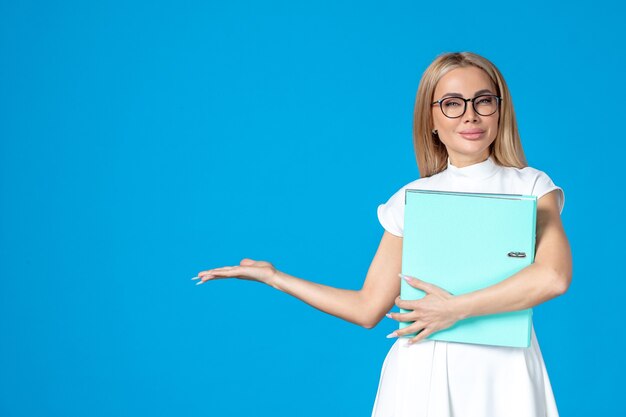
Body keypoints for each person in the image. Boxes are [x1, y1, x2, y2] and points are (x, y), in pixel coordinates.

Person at [194, 52, 572, 417]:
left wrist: (453, 309)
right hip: (420, 372)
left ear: (500, 109)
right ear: (431, 119)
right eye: (452, 103)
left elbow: (553, 277)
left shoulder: (533, 187)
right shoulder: (409, 199)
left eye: (483, 101)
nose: (470, 115)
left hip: (503, 373)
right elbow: (367, 308)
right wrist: (274, 278)